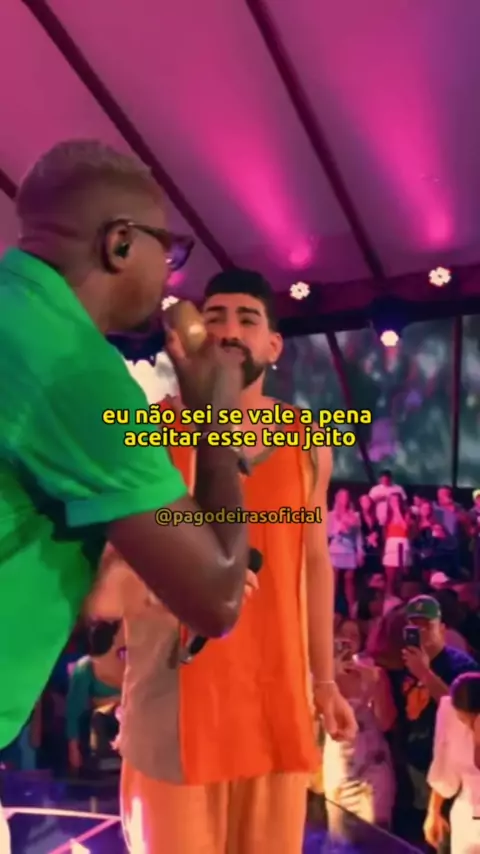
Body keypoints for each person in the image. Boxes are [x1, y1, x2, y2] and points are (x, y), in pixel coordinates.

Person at [0, 140, 252, 851]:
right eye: (167, 251)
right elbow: (217, 597)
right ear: (119, 243)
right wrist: (214, 418)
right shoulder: (75, 369)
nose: (170, 273)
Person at [95, 269, 357, 854]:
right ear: (185, 337)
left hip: (275, 706)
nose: (229, 330)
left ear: (274, 345)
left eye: (247, 319)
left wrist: (324, 681)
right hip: (174, 712)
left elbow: (315, 564)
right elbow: (113, 560)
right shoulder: (150, 431)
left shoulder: (308, 442)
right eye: (214, 317)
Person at [399, 595, 479, 822]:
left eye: (427, 626)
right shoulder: (405, 661)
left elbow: (463, 710)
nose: (421, 632)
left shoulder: (462, 666)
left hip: (451, 772)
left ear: (442, 628)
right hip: (415, 764)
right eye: (414, 626)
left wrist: (425, 673)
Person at [323, 618, 396, 835]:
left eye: (354, 636)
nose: (348, 640)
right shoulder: (322, 677)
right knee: (341, 834)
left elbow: (386, 722)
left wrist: (375, 686)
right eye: (343, 634)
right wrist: (330, 677)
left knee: (374, 835)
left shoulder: (375, 673)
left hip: (373, 767)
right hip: (339, 764)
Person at [425, 672, 480, 853]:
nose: (468, 726)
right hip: (467, 819)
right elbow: (444, 769)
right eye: (463, 720)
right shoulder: (450, 715)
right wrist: (433, 812)